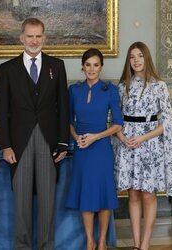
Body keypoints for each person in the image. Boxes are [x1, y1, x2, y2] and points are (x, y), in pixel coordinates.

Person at [0, 18, 69, 250]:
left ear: (44, 38)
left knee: (48, 200)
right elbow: (3, 111)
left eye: (38, 36)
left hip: (49, 141)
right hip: (19, 143)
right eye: (30, 36)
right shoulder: (7, 68)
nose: (34, 40)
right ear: (21, 38)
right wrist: (6, 145)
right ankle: (22, 246)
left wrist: (62, 142)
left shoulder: (56, 66)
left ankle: (47, 246)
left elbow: (63, 108)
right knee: (22, 202)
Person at [114, 41, 172, 250]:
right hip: (127, 144)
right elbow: (115, 119)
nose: (136, 60)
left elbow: (167, 123)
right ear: (128, 61)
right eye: (132, 57)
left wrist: (143, 138)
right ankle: (135, 244)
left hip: (149, 145)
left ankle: (145, 245)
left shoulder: (158, 85)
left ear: (146, 58)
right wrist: (123, 137)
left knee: (148, 194)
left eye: (140, 56)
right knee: (132, 194)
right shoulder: (123, 86)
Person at [65, 48, 123, 250]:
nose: (91, 69)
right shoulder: (74, 90)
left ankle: (102, 242)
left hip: (101, 149)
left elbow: (117, 124)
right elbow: (68, 121)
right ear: (82, 67)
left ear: (101, 67)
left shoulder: (110, 90)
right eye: (88, 64)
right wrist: (77, 138)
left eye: (96, 65)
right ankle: (90, 241)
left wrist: (95, 137)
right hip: (82, 148)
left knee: (104, 195)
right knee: (86, 194)